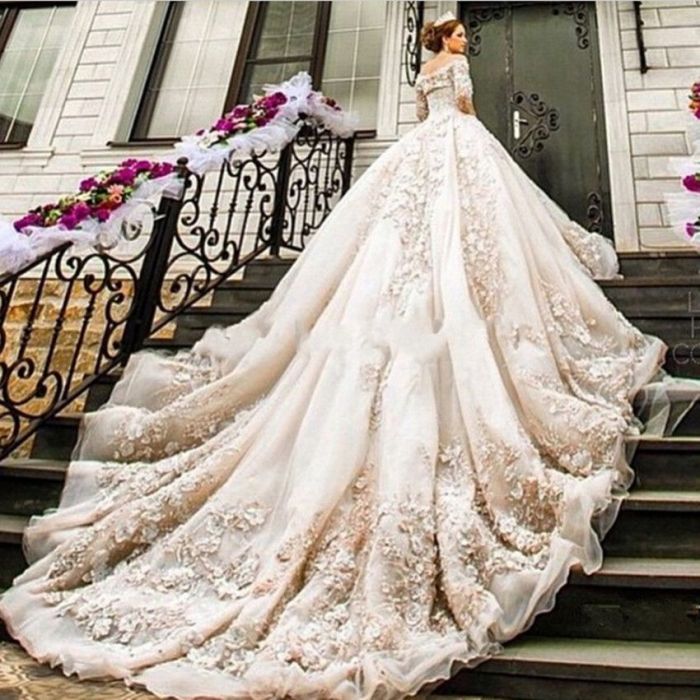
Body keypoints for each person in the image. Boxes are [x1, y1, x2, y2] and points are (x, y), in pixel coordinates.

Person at [0, 11, 695, 700]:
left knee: (410, 251)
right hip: (457, 152)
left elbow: (429, 112)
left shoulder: (420, 74)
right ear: (448, 40)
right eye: (457, 34)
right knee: (467, 245)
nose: (461, 41)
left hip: (417, 154)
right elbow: (467, 111)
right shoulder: (455, 70)